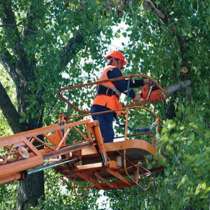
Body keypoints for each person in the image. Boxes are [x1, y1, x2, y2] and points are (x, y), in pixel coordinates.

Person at [90, 50, 150, 143]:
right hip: (102, 107)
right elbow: (122, 85)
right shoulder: (113, 69)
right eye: (121, 63)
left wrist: (143, 82)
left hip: (103, 107)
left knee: (106, 135)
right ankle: (104, 156)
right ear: (115, 60)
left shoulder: (110, 72)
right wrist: (135, 96)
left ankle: (103, 153)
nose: (122, 67)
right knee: (107, 136)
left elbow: (126, 83)